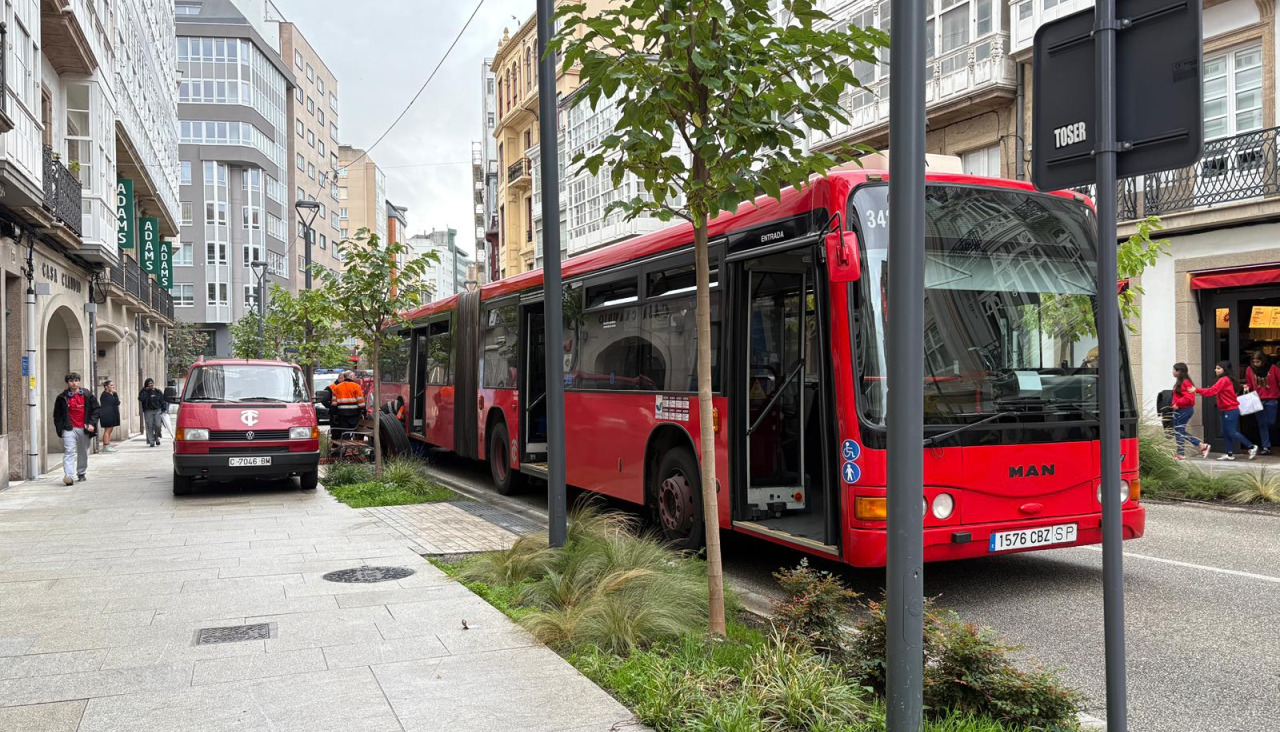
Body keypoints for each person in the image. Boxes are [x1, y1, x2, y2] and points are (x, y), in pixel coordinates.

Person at [1194, 361, 1258, 461]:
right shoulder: (1226, 379)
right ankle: (1229, 453)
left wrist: (1196, 390)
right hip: (1226, 409)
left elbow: (1212, 391)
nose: (1216, 370)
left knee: (1232, 432)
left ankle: (1251, 447)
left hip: (1230, 410)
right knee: (1226, 432)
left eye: (1218, 368)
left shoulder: (1223, 380)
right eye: (1216, 368)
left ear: (1225, 369)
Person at [53, 373, 99, 484]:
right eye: (71, 381)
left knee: (83, 452)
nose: (74, 383)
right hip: (69, 428)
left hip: (84, 428)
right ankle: (69, 476)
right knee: (69, 451)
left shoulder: (87, 395)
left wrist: (92, 424)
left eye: (76, 380)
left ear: (79, 381)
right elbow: (57, 415)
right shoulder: (62, 397)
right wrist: (60, 429)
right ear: (67, 383)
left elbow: (96, 410)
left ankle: (81, 472)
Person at [1170, 363, 1210, 461]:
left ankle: (1181, 454)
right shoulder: (1181, 382)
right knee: (1179, 430)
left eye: (1174, 370)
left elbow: (1189, 398)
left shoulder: (1185, 382)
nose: (1172, 372)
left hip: (1184, 410)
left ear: (1179, 371)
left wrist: (1177, 403)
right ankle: (1201, 445)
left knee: (1178, 431)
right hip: (1182, 410)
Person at [1244, 351, 1280, 455]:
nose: (1256, 364)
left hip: (1271, 399)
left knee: (1271, 422)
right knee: (1262, 424)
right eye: (1254, 361)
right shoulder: (1250, 369)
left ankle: (1270, 443)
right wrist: (1247, 386)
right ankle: (1266, 446)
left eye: (1258, 361)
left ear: (1263, 361)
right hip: (1257, 399)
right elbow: (1249, 383)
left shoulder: (1272, 368)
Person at [138, 378, 166, 447]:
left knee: (158, 426)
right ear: (146, 385)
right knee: (149, 426)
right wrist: (145, 390)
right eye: (149, 383)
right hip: (148, 411)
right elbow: (141, 399)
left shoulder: (158, 391)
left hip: (157, 410)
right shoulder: (144, 392)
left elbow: (162, 401)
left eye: (152, 383)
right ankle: (151, 441)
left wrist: (164, 410)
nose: (151, 385)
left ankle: (156, 437)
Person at [98, 379, 121, 453]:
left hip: (110, 415)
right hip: (107, 415)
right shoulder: (105, 395)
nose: (113, 387)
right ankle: (106, 447)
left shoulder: (109, 394)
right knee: (107, 430)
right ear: (106, 387)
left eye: (113, 385)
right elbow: (117, 402)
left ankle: (107, 445)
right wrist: (115, 393)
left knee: (109, 430)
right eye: (111, 385)